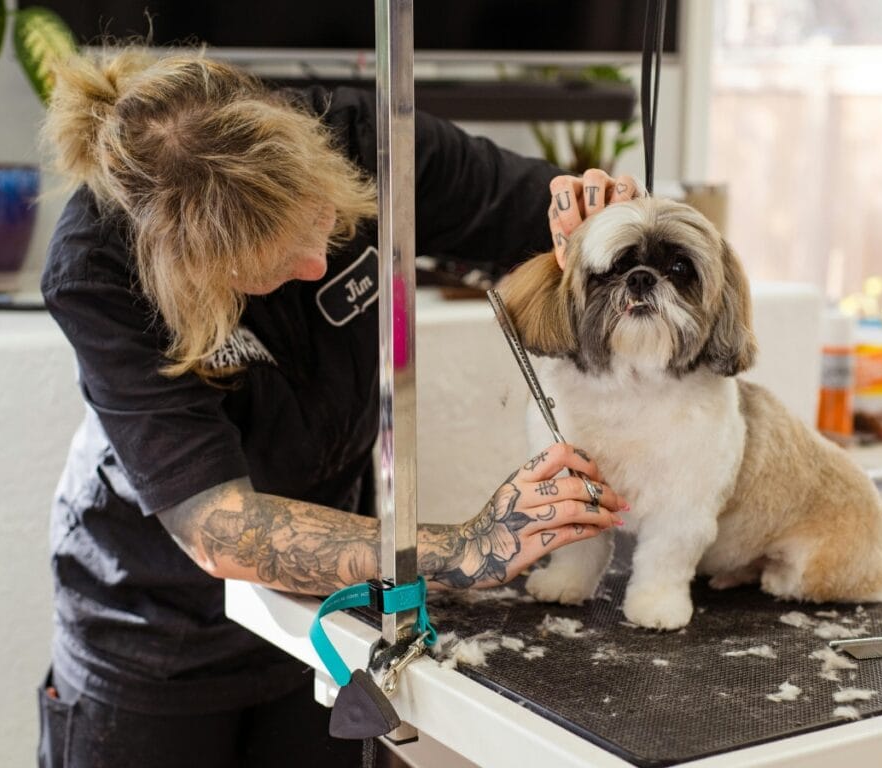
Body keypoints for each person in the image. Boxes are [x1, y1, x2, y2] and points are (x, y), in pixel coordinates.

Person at [36, 48, 637, 768]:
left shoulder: (371, 139)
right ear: (182, 267)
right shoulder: (98, 268)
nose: (317, 264)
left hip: (329, 614)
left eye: (319, 218)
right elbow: (221, 528)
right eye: (263, 262)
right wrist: (466, 549)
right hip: (151, 634)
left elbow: (545, 220)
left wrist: (601, 219)